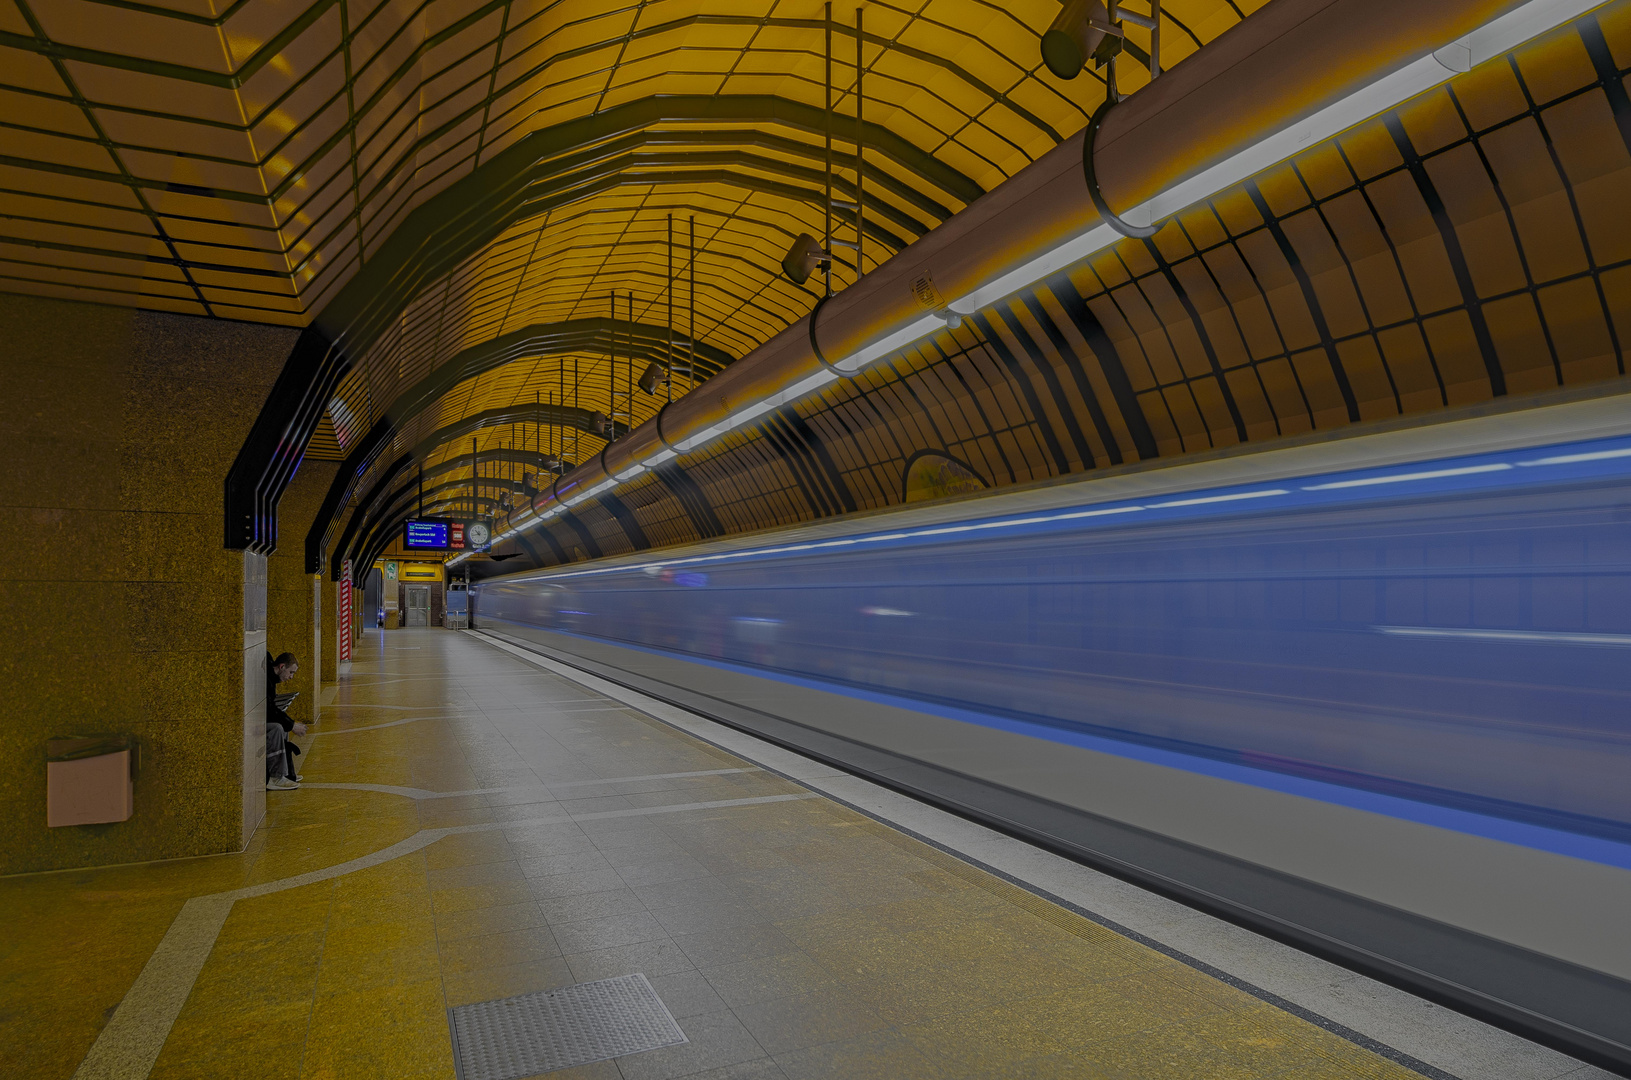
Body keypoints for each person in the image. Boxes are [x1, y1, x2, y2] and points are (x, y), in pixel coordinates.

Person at [266, 652, 306, 790]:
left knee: (283, 726)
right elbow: (269, 709)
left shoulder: (270, 677)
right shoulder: (267, 680)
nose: (291, 677)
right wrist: (292, 725)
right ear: (282, 666)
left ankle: (286, 772)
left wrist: (289, 724)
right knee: (277, 728)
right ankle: (276, 777)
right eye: (291, 672)